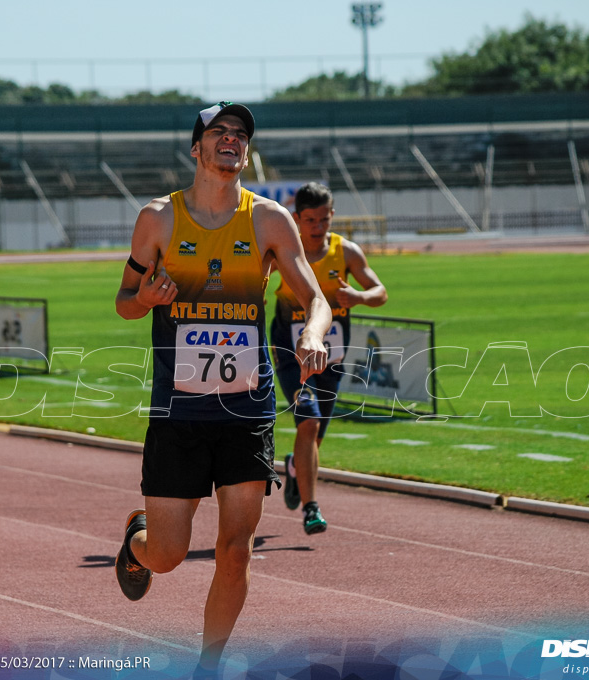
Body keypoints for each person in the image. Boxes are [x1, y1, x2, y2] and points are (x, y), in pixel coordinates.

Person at [113, 102, 332, 675]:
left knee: (236, 550)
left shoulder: (269, 221)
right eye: (219, 132)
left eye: (240, 134)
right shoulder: (158, 219)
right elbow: (123, 303)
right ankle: (137, 541)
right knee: (168, 555)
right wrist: (146, 301)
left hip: (246, 408)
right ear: (197, 149)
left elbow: (316, 298)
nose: (232, 140)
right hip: (178, 409)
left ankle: (207, 666)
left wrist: (312, 332)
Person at [270, 182, 387, 534]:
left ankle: (294, 467)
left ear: (332, 216)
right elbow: (253, 280)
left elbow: (380, 292)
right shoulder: (284, 253)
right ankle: (312, 508)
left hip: (332, 355)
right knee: (308, 423)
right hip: (292, 351)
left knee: (316, 434)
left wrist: (360, 297)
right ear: (296, 219)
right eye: (310, 220)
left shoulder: (346, 252)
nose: (318, 227)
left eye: (324, 219)